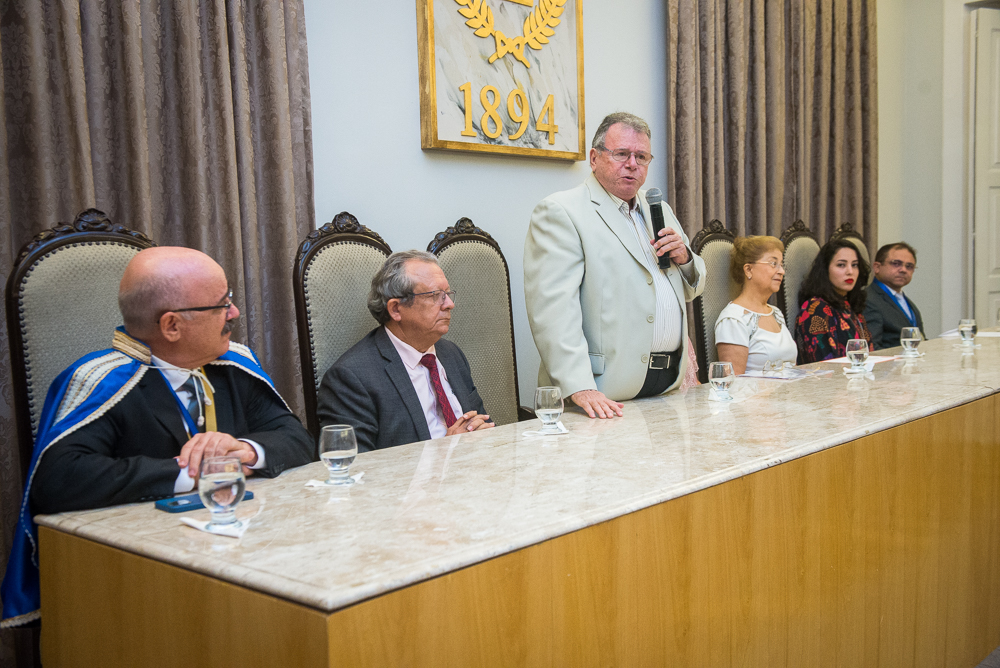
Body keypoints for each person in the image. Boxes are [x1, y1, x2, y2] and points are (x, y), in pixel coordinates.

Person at [2, 247, 314, 627]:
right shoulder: (101, 382)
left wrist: (245, 452)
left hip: (249, 558)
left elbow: (297, 438)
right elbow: (60, 480)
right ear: (171, 326)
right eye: (222, 304)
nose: (233, 312)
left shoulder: (233, 365)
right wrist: (194, 472)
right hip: (136, 586)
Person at [523, 112, 707, 418]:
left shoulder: (659, 208)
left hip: (667, 387)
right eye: (621, 154)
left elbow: (691, 290)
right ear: (594, 158)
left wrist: (685, 259)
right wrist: (580, 386)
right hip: (602, 394)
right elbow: (553, 311)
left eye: (641, 157)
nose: (632, 164)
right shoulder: (562, 211)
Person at [317, 250, 493, 452]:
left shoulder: (451, 354)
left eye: (448, 294)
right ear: (395, 309)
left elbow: (482, 423)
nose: (450, 304)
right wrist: (447, 451)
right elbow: (357, 466)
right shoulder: (352, 378)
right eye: (436, 295)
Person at [715, 236, 798, 374]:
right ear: (748, 269)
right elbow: (734, 382)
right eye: (773, 263)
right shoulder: (733, 319)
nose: (781, 271)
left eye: (781, 264)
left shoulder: (776, 313)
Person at [795, 239, 873, 363]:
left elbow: (869, 353)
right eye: (841, 265)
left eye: (854, 265)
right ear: (825, 269)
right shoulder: (816, 308)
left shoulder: (849, 305)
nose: (850, 271)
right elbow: (823, 365)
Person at [864, 242, 924, 349]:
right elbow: (872, 348)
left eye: (909, 266)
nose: (903, 270)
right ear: (877, 267)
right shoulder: (868, 299)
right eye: (896, 264)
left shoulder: (907, 302)